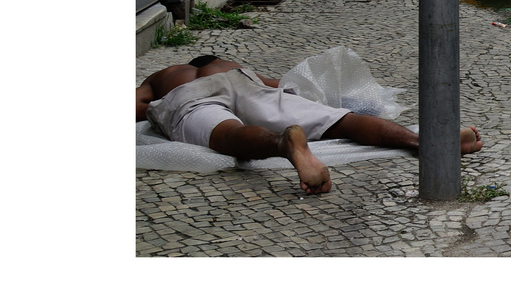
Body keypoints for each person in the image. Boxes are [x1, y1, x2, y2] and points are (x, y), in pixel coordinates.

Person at [137, 55, 483, 195]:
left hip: (189, 97)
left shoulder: (166, 76)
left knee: (226, 134)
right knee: (340, 122)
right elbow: (287, 87)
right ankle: (422, 141)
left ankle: (284, 145)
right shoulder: (226, 65)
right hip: (244, 81)